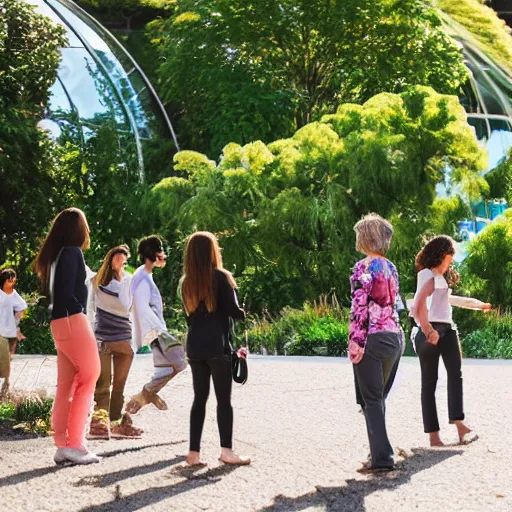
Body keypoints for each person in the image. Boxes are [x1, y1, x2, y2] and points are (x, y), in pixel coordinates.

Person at [34, 207, 101, 465]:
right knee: (90, 376)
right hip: (72, 319)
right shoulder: (72, 252)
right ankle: (74, 444)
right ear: (77, 228)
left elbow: (59, 292)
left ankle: (63, 444)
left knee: (67, 383)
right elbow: (66, 293)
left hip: (59, 322)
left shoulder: (56, 255)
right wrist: (79, 314)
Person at [411, 235, 490, 447]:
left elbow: (447, 301)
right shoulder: (426, 275)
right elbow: (417, 306)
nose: (451, 262)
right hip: (432, 332)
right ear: (442, 255)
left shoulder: (439, 277)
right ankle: (434, 436)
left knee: (456, 376)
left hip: (447, 329)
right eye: (450, 257)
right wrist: (428, 330)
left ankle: (459, 424)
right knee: (430, 383)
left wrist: (478, 305)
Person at [181, 231, 250, 466]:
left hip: (195, 347)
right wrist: (243, 309)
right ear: (212, 251)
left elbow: (190, 318)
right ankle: (226, 451)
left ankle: (193, 453)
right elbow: (234, 311)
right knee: (223, 400)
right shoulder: (221, 277)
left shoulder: (186, 282)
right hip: (218, 346)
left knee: (199, 399)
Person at [349, 214, 402, 473]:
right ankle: (377, 453)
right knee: (377, 399)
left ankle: (382, 459)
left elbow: (359, 308)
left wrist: (355, 343)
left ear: (365, 237)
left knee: (370, 400)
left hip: (372, 338)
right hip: (394, 338)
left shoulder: (364, 267)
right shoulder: (390, 267)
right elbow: (396, 304)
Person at [124, 235, 187, 414]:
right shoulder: (142, 277)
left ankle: (136, 402)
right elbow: (141, 307)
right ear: (153, 254)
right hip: (152, 330)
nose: (164, 255)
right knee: (177, 361)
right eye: (161, 251)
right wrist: (159, 331)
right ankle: (147, 393)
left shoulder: (143, 275)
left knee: (168, 365)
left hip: (151, 329)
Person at [88, 245, 143, 439]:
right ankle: (99, 423)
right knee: (103, 383)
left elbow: (135, 307)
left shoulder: (129, 282)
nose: (120, 261)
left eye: (123, 258)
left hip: (124, 338)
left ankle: (115, 422)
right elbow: (90, 307)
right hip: (102, 337)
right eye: (116, 258)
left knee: (119, 384)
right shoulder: (97, 281)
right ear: (110, 259)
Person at [0, 268, 27, 397]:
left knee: (8, 359)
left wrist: (17, 321)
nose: (11, 283)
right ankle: (5, 383)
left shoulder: (14, 294)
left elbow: (22, 306)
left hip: (10, 331)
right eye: (9, 281)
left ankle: (6, 383)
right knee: (3, 356)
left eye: (13, 281)